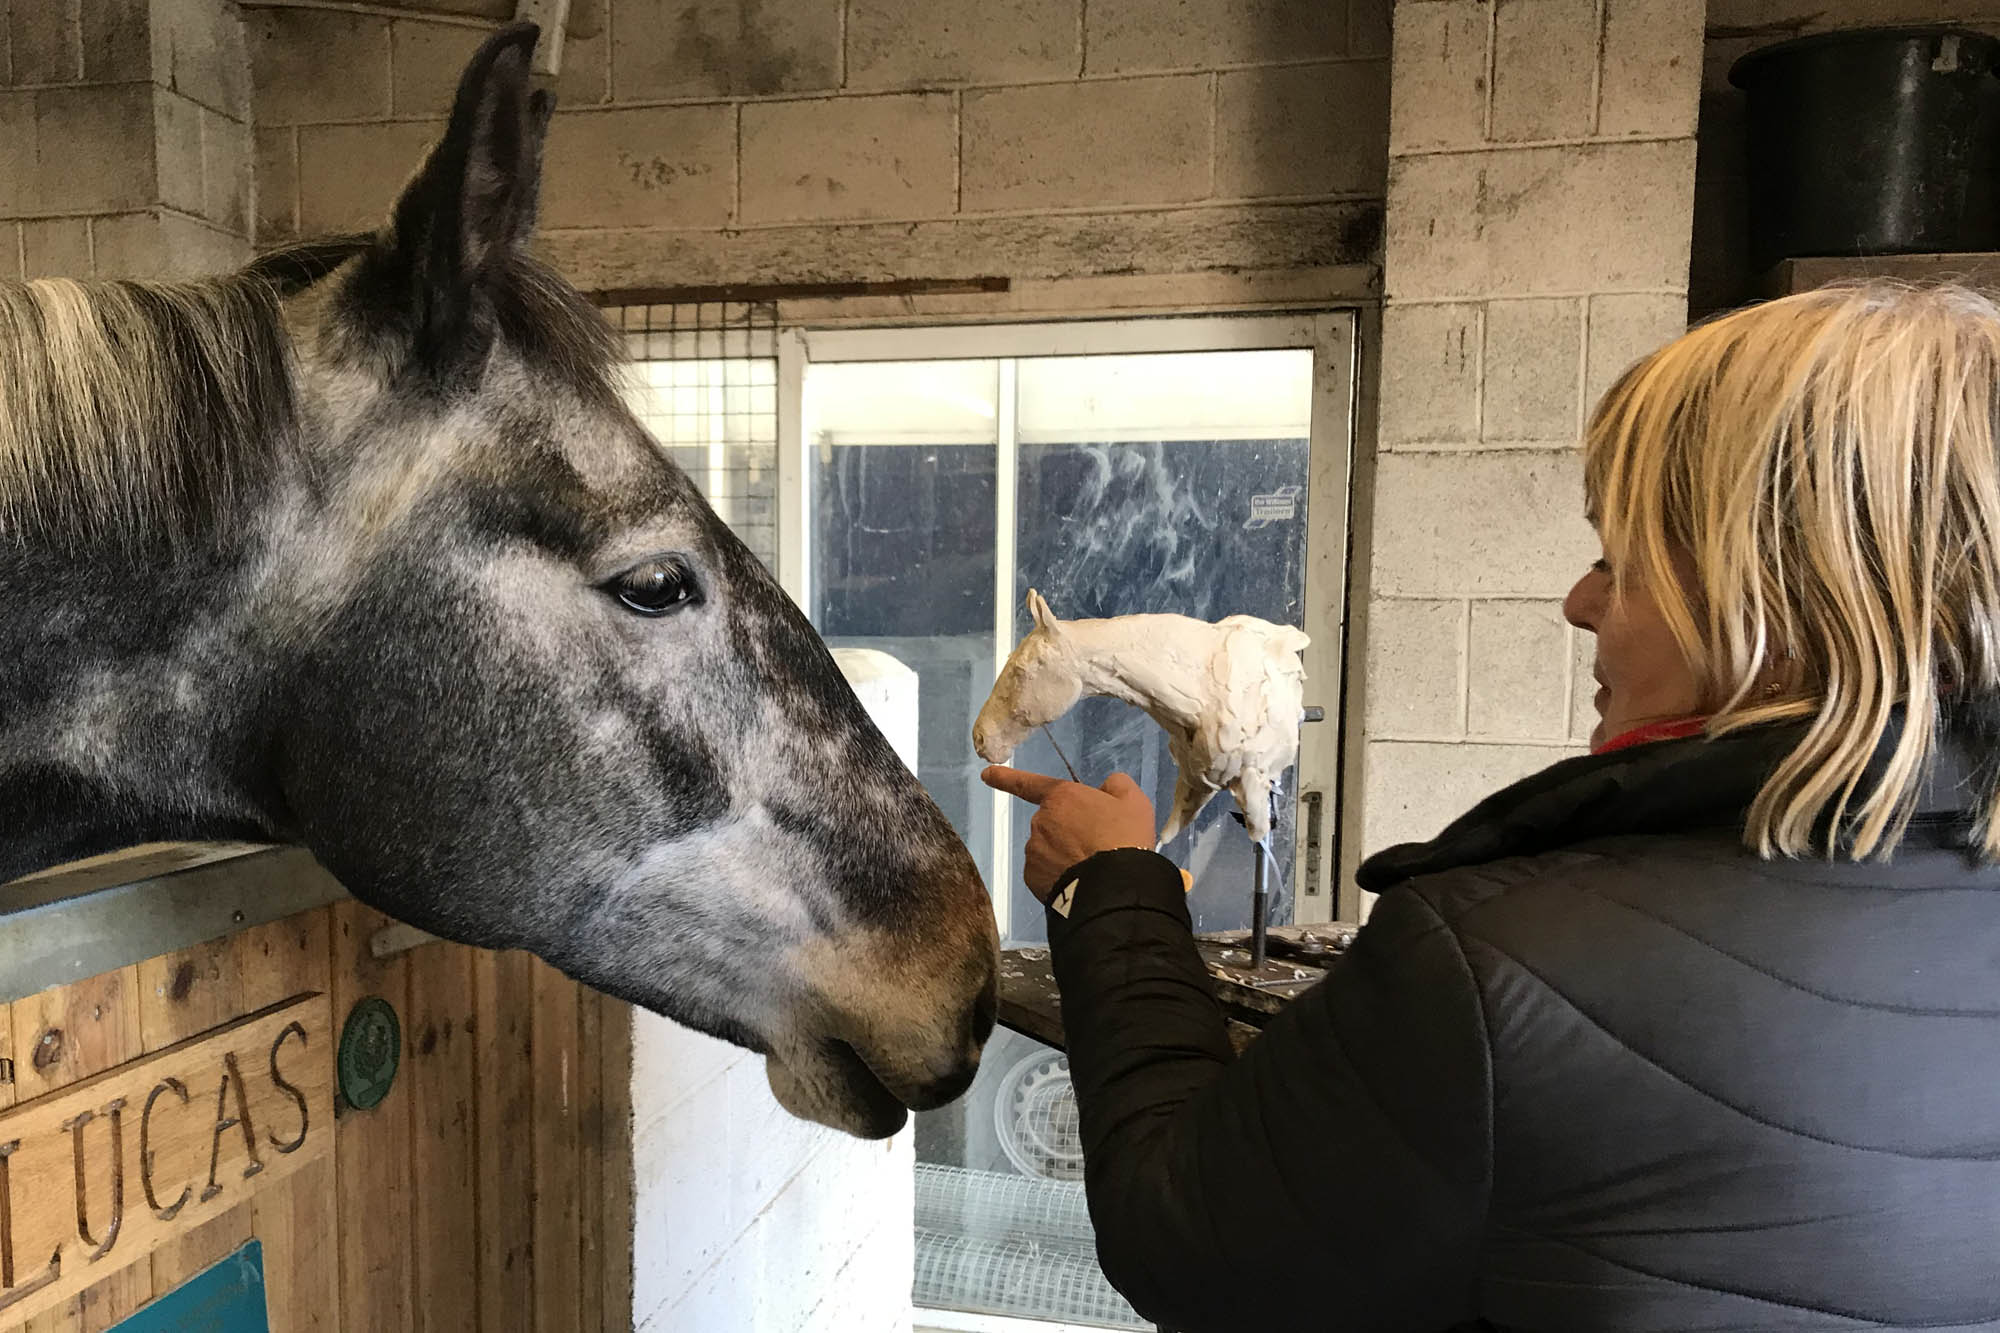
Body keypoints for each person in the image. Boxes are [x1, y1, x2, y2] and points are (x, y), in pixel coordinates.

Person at [981, 282, 2000, 1331]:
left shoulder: (1501, 962)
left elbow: (1183, 1239)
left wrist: (1111, 892)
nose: (1577, 602)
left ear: (1767, 594)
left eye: (1619, 560)